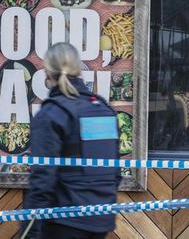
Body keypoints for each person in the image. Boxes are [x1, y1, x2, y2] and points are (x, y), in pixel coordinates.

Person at [22, 43, 120, 239]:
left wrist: (29, 231)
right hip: (101, 221)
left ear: (47, 73)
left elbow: (43, 179)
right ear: (78, 69)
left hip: (64, 222)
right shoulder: (102, 109)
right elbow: (113, 172)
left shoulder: (52, 113)